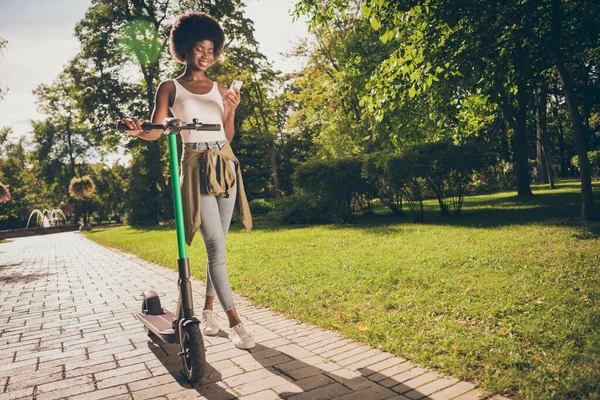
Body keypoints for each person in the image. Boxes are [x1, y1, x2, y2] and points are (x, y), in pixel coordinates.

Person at [120, 11, 254, 350]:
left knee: (219, 246)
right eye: (199, 48)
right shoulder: (170, 87)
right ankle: (236, 323)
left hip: (224, 164)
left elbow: (227, 135)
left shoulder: (221, 89)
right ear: (184, 49)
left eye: (211, 49)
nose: (206, 55)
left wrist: (232, 109)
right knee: (215, 247)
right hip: (195, 165)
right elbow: (156, 130)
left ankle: (208, 311)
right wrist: (138, 131)